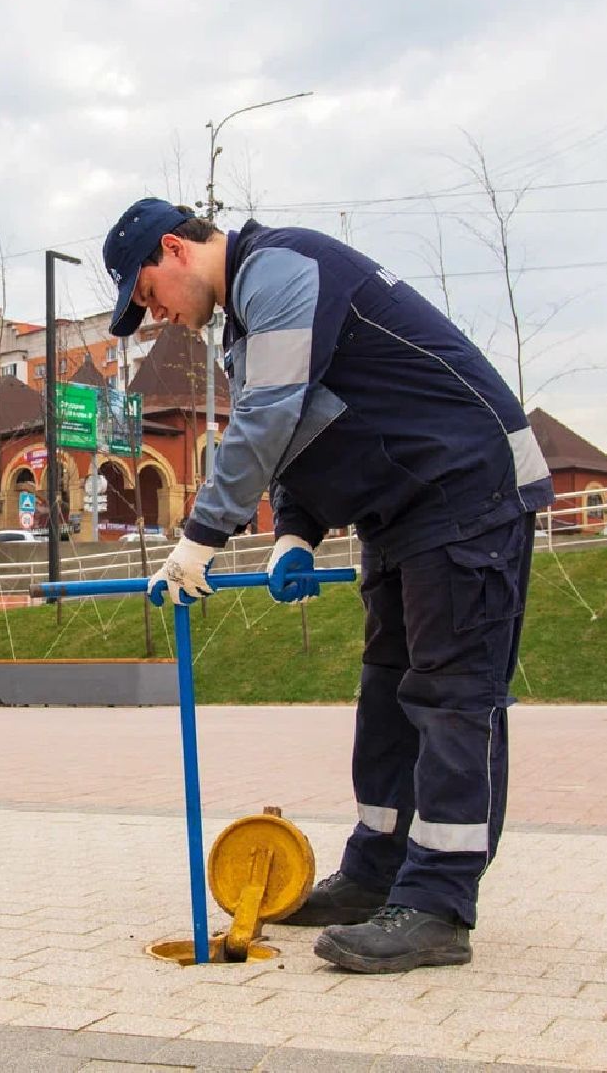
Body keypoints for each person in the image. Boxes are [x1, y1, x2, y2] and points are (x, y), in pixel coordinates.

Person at [104, 198, 550, 974]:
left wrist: (201, 537)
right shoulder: (248, 325)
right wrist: (296, 533)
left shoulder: (280, 268)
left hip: (466, 494)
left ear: (175, 250)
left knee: (451, 698)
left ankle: (439, 905)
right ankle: (378, 877)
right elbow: (300, 433)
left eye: (148, 296)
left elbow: (269, 419)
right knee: (387, 696)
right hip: (402, 514)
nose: (159, 317)